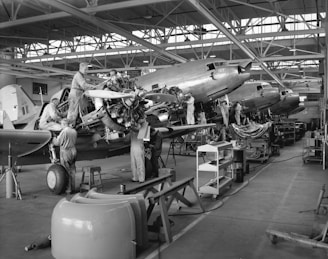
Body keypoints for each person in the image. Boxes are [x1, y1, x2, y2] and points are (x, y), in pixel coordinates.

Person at [52, 119, 78, 194]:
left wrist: (53, 138)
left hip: (66, 152)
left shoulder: (64, 131)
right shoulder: (74, 131)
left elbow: (58, 142)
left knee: (66, 171)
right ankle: (73, 188)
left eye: (61, 124)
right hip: (74, 151)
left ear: (63, 124)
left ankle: (68, 189)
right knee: (73, 170)